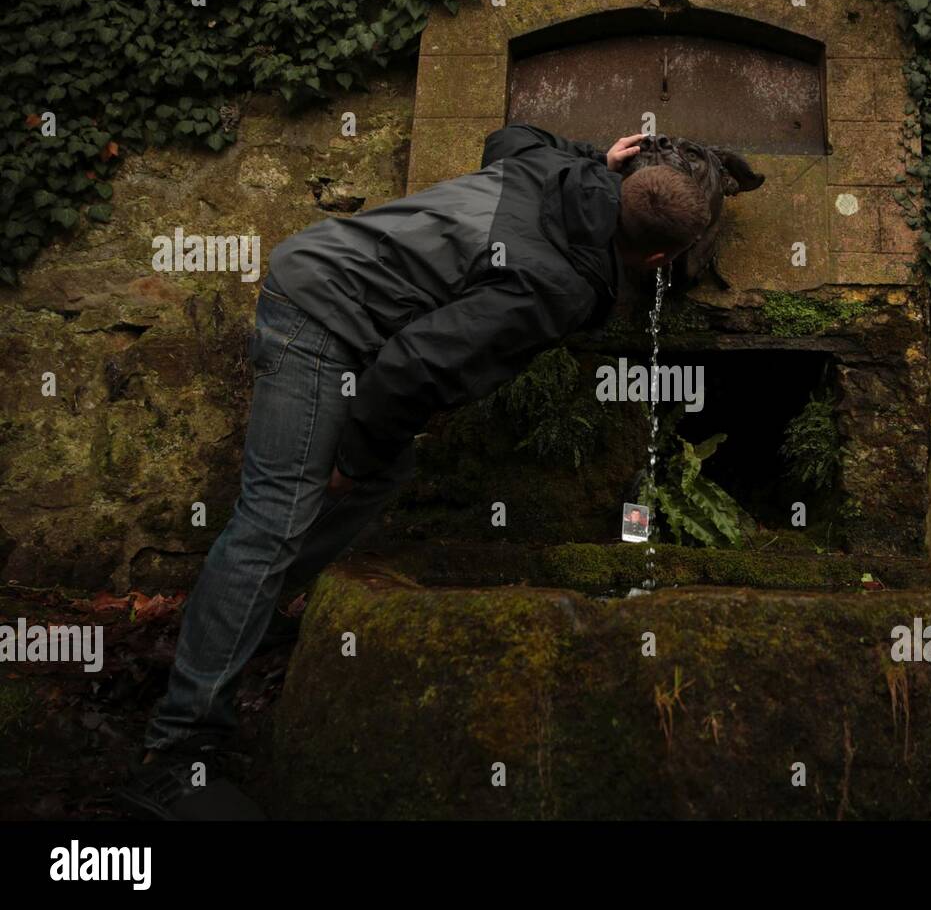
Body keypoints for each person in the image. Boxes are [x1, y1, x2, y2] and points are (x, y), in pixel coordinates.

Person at [118, 124, 712, 818]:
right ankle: (176, 754)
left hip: (331, 286)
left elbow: (505, 137)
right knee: (276, 520)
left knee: (382, 476)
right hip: (318, 315)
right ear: (662, 256)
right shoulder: (555, 284)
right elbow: (415, 368)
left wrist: (594, 155)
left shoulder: (557, 171)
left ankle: (246, 619)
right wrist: (349, 458)